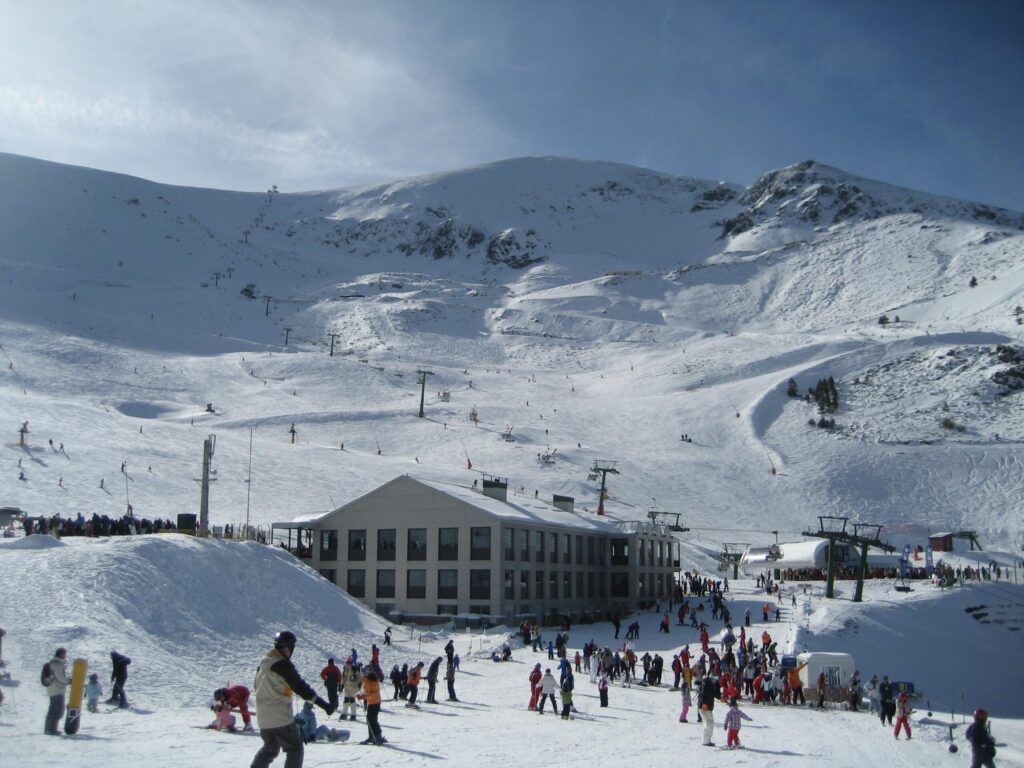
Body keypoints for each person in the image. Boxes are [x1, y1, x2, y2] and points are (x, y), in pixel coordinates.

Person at [251, 630, 336, 768]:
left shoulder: (263, 663)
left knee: (270, 749)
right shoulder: (283, 664)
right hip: (280, 718)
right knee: (295, 749)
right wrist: (324, 705)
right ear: (289, 647)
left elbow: (256, 686)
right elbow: (301, 687)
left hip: (263, 719)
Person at [355, 669, 385, 745]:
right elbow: (367, 691)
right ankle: (373, 736)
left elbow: (372, 693)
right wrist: (362, 695)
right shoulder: (369, 681)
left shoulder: (371, 682)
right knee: (371, 719)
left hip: (374, 703)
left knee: (372, 719)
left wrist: (363, 697)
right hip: (374, 702)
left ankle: (378, 736)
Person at [44, 647, 69, 735]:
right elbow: (60, 677)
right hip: (57, 689)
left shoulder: (53, 662)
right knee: (58, 710)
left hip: (53, 689)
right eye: (64, 654)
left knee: (52, 710)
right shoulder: (57, 664)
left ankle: (47, 729)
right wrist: (68, 681)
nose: (65, 655)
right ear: (60, 654)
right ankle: (52, 729)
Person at [699, 673, 721, 746]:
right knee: (709, 723)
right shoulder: (706, 684)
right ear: (712, 679)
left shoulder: (712, 685)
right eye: (715, 680)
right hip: (704, 706)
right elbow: (702, 694)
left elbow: (716, 695)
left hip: (708, 707)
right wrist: (703, 703)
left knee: (710, 723)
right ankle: (705, 741)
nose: (716, 681)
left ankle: (707, 740)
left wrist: (721, 697)